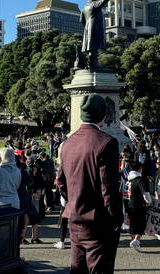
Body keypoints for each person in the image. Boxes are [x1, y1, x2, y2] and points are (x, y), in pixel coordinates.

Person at [57, 94, 123, 274]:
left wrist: (73, 202)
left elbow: (61, 182)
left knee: (77, 269)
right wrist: (116, 219)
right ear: (103, 114)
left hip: (74, 218)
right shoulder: (107, 142)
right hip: (98, 222)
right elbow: (108, 188)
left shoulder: (68, 143)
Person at [127, 162, 151, 252]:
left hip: (130, 205)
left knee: (133, 224)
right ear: (140, 169)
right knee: (142, 224)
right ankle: (136, 240)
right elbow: (145, 193)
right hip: (139, 205)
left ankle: (134, 241)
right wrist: (149, 202)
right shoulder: (140, 180)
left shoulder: (129, 180)